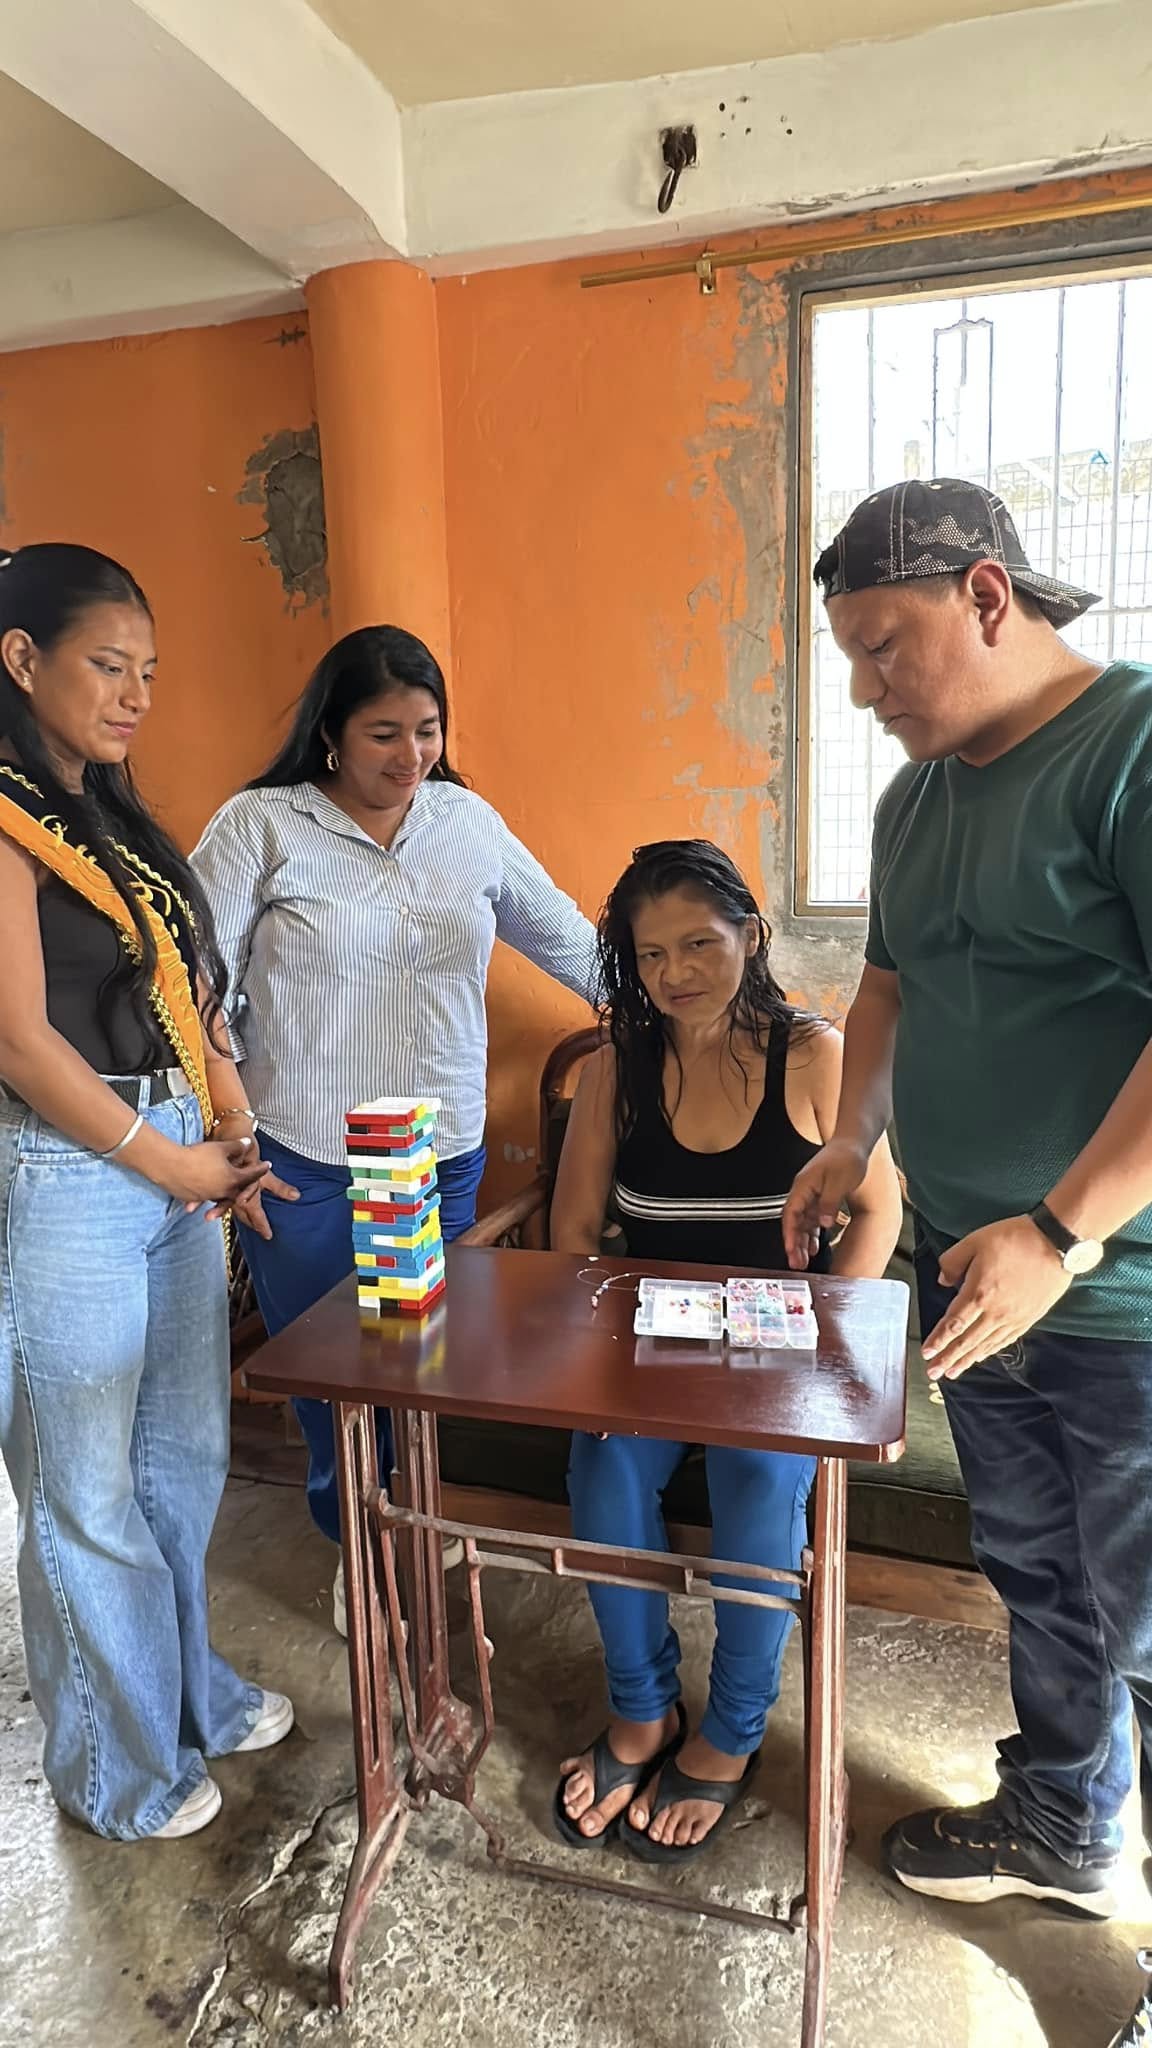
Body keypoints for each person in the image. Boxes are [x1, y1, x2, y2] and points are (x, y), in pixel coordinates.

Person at [783, 477, 1152, 1921]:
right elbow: (889, 983)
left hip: (1121, 1296)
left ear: (986, 595)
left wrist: (1060, 1233)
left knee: (1149, 1618)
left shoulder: (1128, 750)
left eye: (883, 648)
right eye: (850, 657)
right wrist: (852, 1142)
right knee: (1038, 1574)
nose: (864, 690)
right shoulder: (916, 801)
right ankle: (1064, 1824)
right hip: (968, 1284)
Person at [192, 625, 599, 1628]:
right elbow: (191, 982)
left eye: (427, 730)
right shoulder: (262, 826)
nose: (410, 755)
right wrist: (227, 1131)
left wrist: (712, 1011)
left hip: (434, 1158)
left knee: (416, 1372)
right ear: (330, 732)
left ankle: (408, 1519)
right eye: (384, 733)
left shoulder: (465, 821)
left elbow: (569, 940)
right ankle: (360, 1551)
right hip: (304, 1157)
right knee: (333, 1380)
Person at [0, 544, 297, 1842]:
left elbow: (193, 996)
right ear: (22, 659)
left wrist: (230, 1134)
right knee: (86, 1490)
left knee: (182, 1459)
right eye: (108, 665)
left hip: (173, 1150)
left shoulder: (111, 818)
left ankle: (184, 1695)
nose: (136, 695)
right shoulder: (5, 817)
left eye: (150, 673)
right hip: (65, 1170)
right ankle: (116, 1769)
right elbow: (20, 1042)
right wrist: (168, 1160)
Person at [549, 840, 901, 1860]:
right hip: (651, 1343)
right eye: (651, 954)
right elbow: (573, 1233)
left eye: (700, 943)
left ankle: (733, 1730)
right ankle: (642, 1708)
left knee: (760, 1482)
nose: (677, 973)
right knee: (603, 1463)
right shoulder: (616, 1068)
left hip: (779, 1353)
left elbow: (880, 1209)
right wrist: (595, 1361)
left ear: (752, 934)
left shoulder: (815, 1057)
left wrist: (827, 1340)